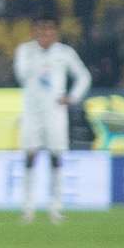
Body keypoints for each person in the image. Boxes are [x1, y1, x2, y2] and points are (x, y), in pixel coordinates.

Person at [11, 13, 89, 225]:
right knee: (30, 156)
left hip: (55, 112)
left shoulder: (65, 53)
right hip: (31, 112)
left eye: (49, 30)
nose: (44, 34)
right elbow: (21, 75)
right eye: (40, 30)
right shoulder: (25, 51)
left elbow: (84, 76)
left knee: (56, 157)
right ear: (34, 31)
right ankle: (27, 209)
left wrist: (72, 98)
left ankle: (55, 208)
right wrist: (38, 62)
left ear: (55, 32)